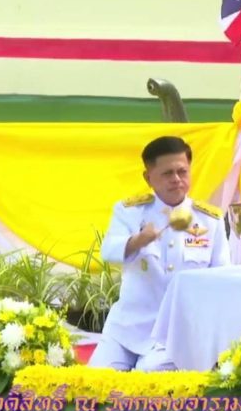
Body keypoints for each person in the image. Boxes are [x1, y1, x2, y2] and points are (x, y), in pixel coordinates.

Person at [88, 136, 230, 371]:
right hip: (128, 327)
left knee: (151, 377)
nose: (176, 179)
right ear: (148, 177)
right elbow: (109, 252)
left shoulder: (209, 220)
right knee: (95, 379)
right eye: (167, 173)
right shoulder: (130, 211)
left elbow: (222, 278)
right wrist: (138, 240)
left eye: (182, 172)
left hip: (178, 332)